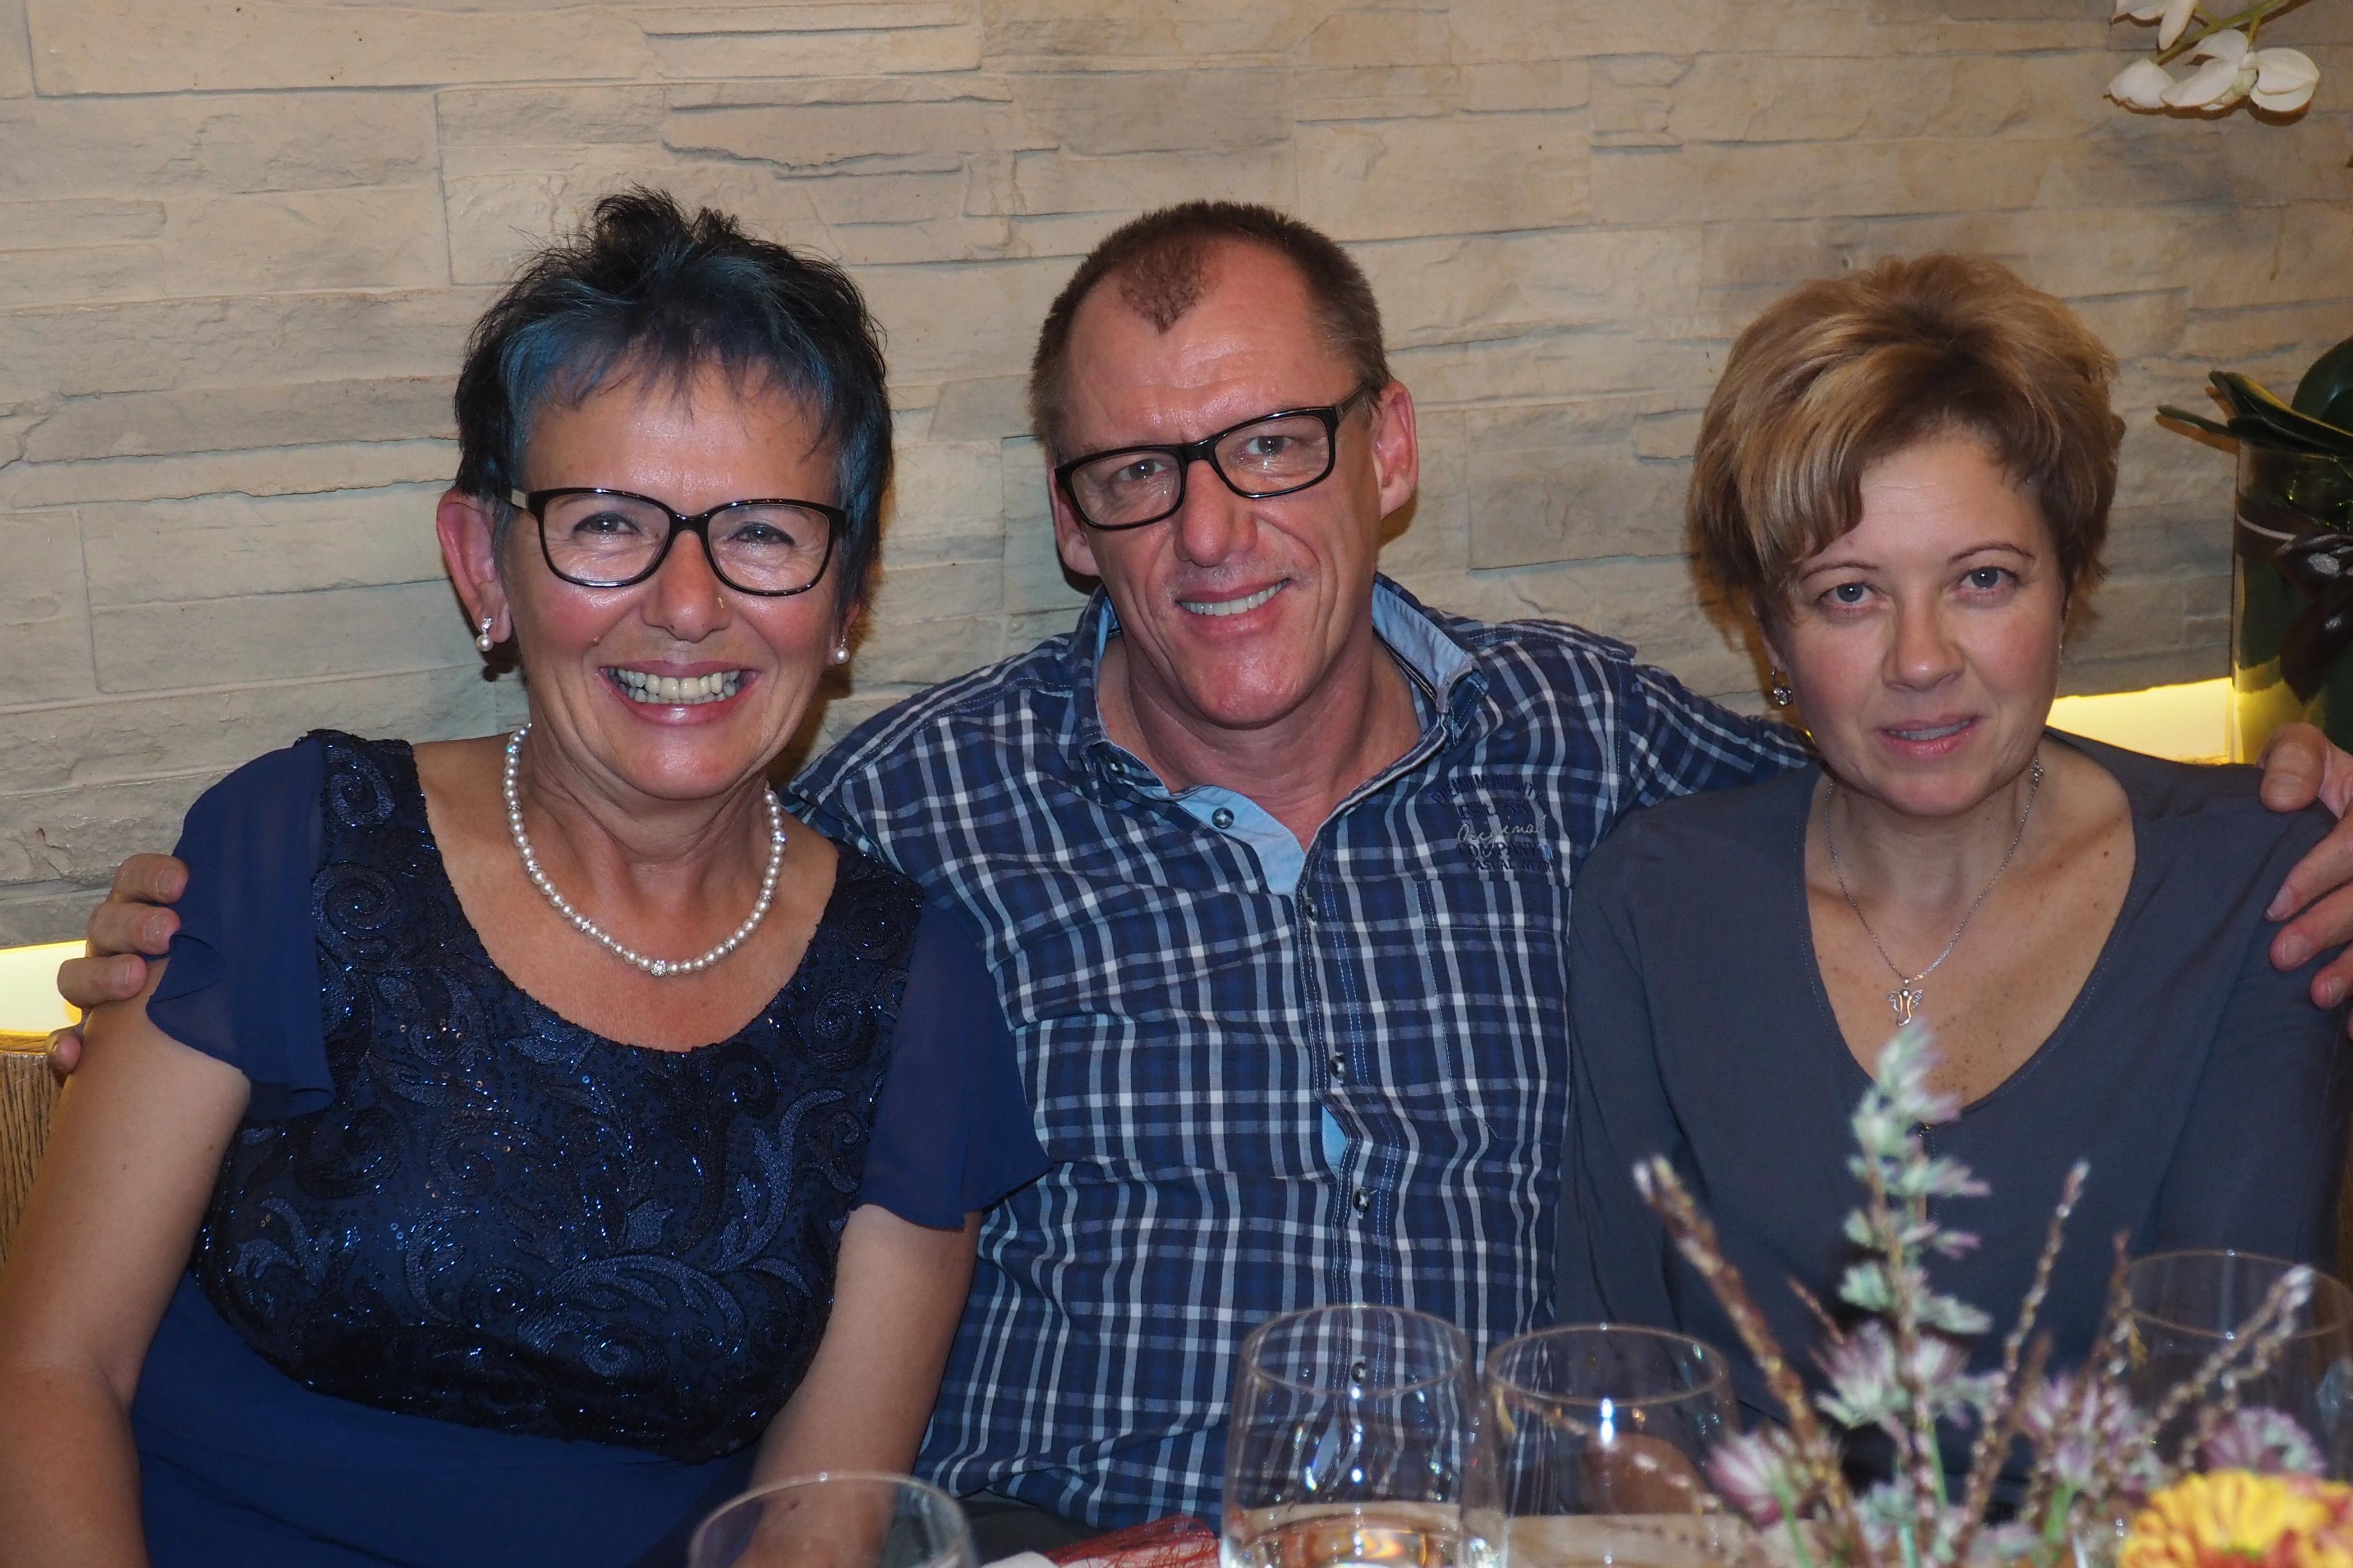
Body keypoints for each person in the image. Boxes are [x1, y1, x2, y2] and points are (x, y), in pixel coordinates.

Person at [53, 203, 2353, 1538]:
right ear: (1070, 522)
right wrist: (254, 938)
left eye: (1270, 444)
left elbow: (1908, 717)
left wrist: (2282, 799)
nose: (1214, 531)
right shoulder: (907, 829)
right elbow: (614, 903)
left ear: (1387, 453)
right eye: (1136, 475)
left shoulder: (1607, 757)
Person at [0, 191, 1044, 1567]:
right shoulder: (296, 846)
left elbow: (817, 1522)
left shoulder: (911, 987)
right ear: (483, 565)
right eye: (607, 524)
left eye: (763, 531)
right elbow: (53, 1375)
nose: (687, 605)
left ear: (846, 595)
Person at [1554, 254, 2353, 1454]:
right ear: (1767, 634)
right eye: (1848, 594)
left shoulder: (2260, 886)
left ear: (2069, 587)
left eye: (1982, 580)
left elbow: (2235, 1418)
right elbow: (1608, 1414)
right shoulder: (1652, 905)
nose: (1921, 660)